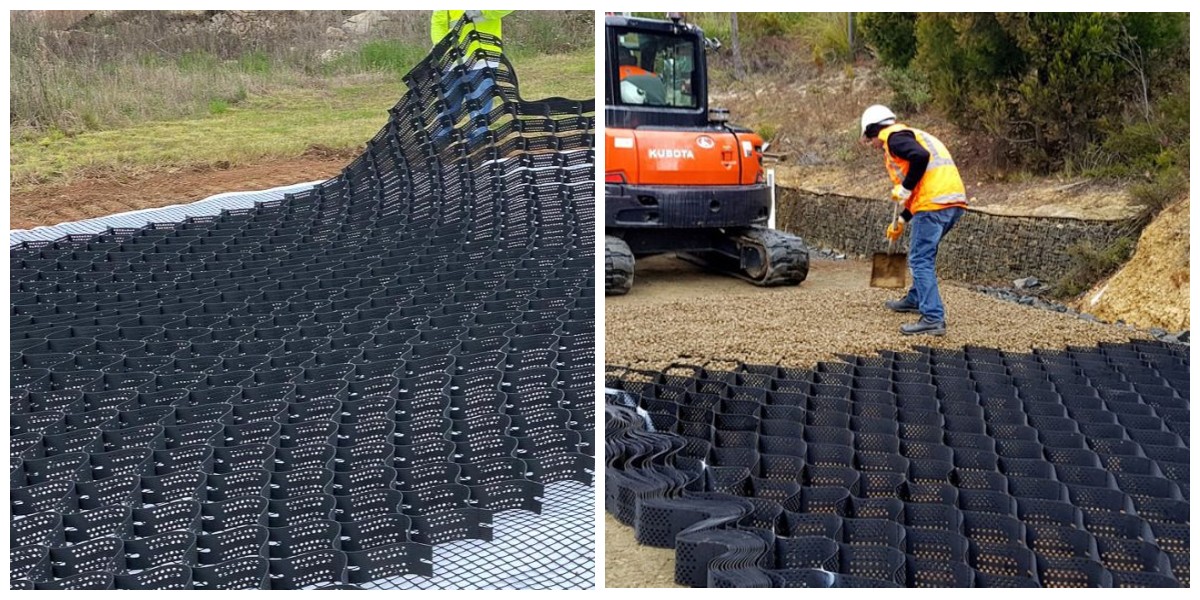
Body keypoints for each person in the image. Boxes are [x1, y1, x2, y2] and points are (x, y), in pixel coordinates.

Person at [861, 104, 969, 337]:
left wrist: (904, 187)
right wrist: (902, 218)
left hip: (933, 206)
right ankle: (915, 298)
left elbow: (920, 158)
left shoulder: (894, 138)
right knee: (925, 255)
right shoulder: (914, 135)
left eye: (869, 140)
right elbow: (922, 183)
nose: (873, 146)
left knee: (920, 260)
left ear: (873, 130)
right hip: (951, 203)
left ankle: (932, 318)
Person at [430, 10, 512, 145]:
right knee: (447, 103)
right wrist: (440, 47)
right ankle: (440, 141)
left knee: (479, 103)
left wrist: (482, 11)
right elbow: (438, 21)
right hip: (453, 59)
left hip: (483, 55)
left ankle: (479, 141)